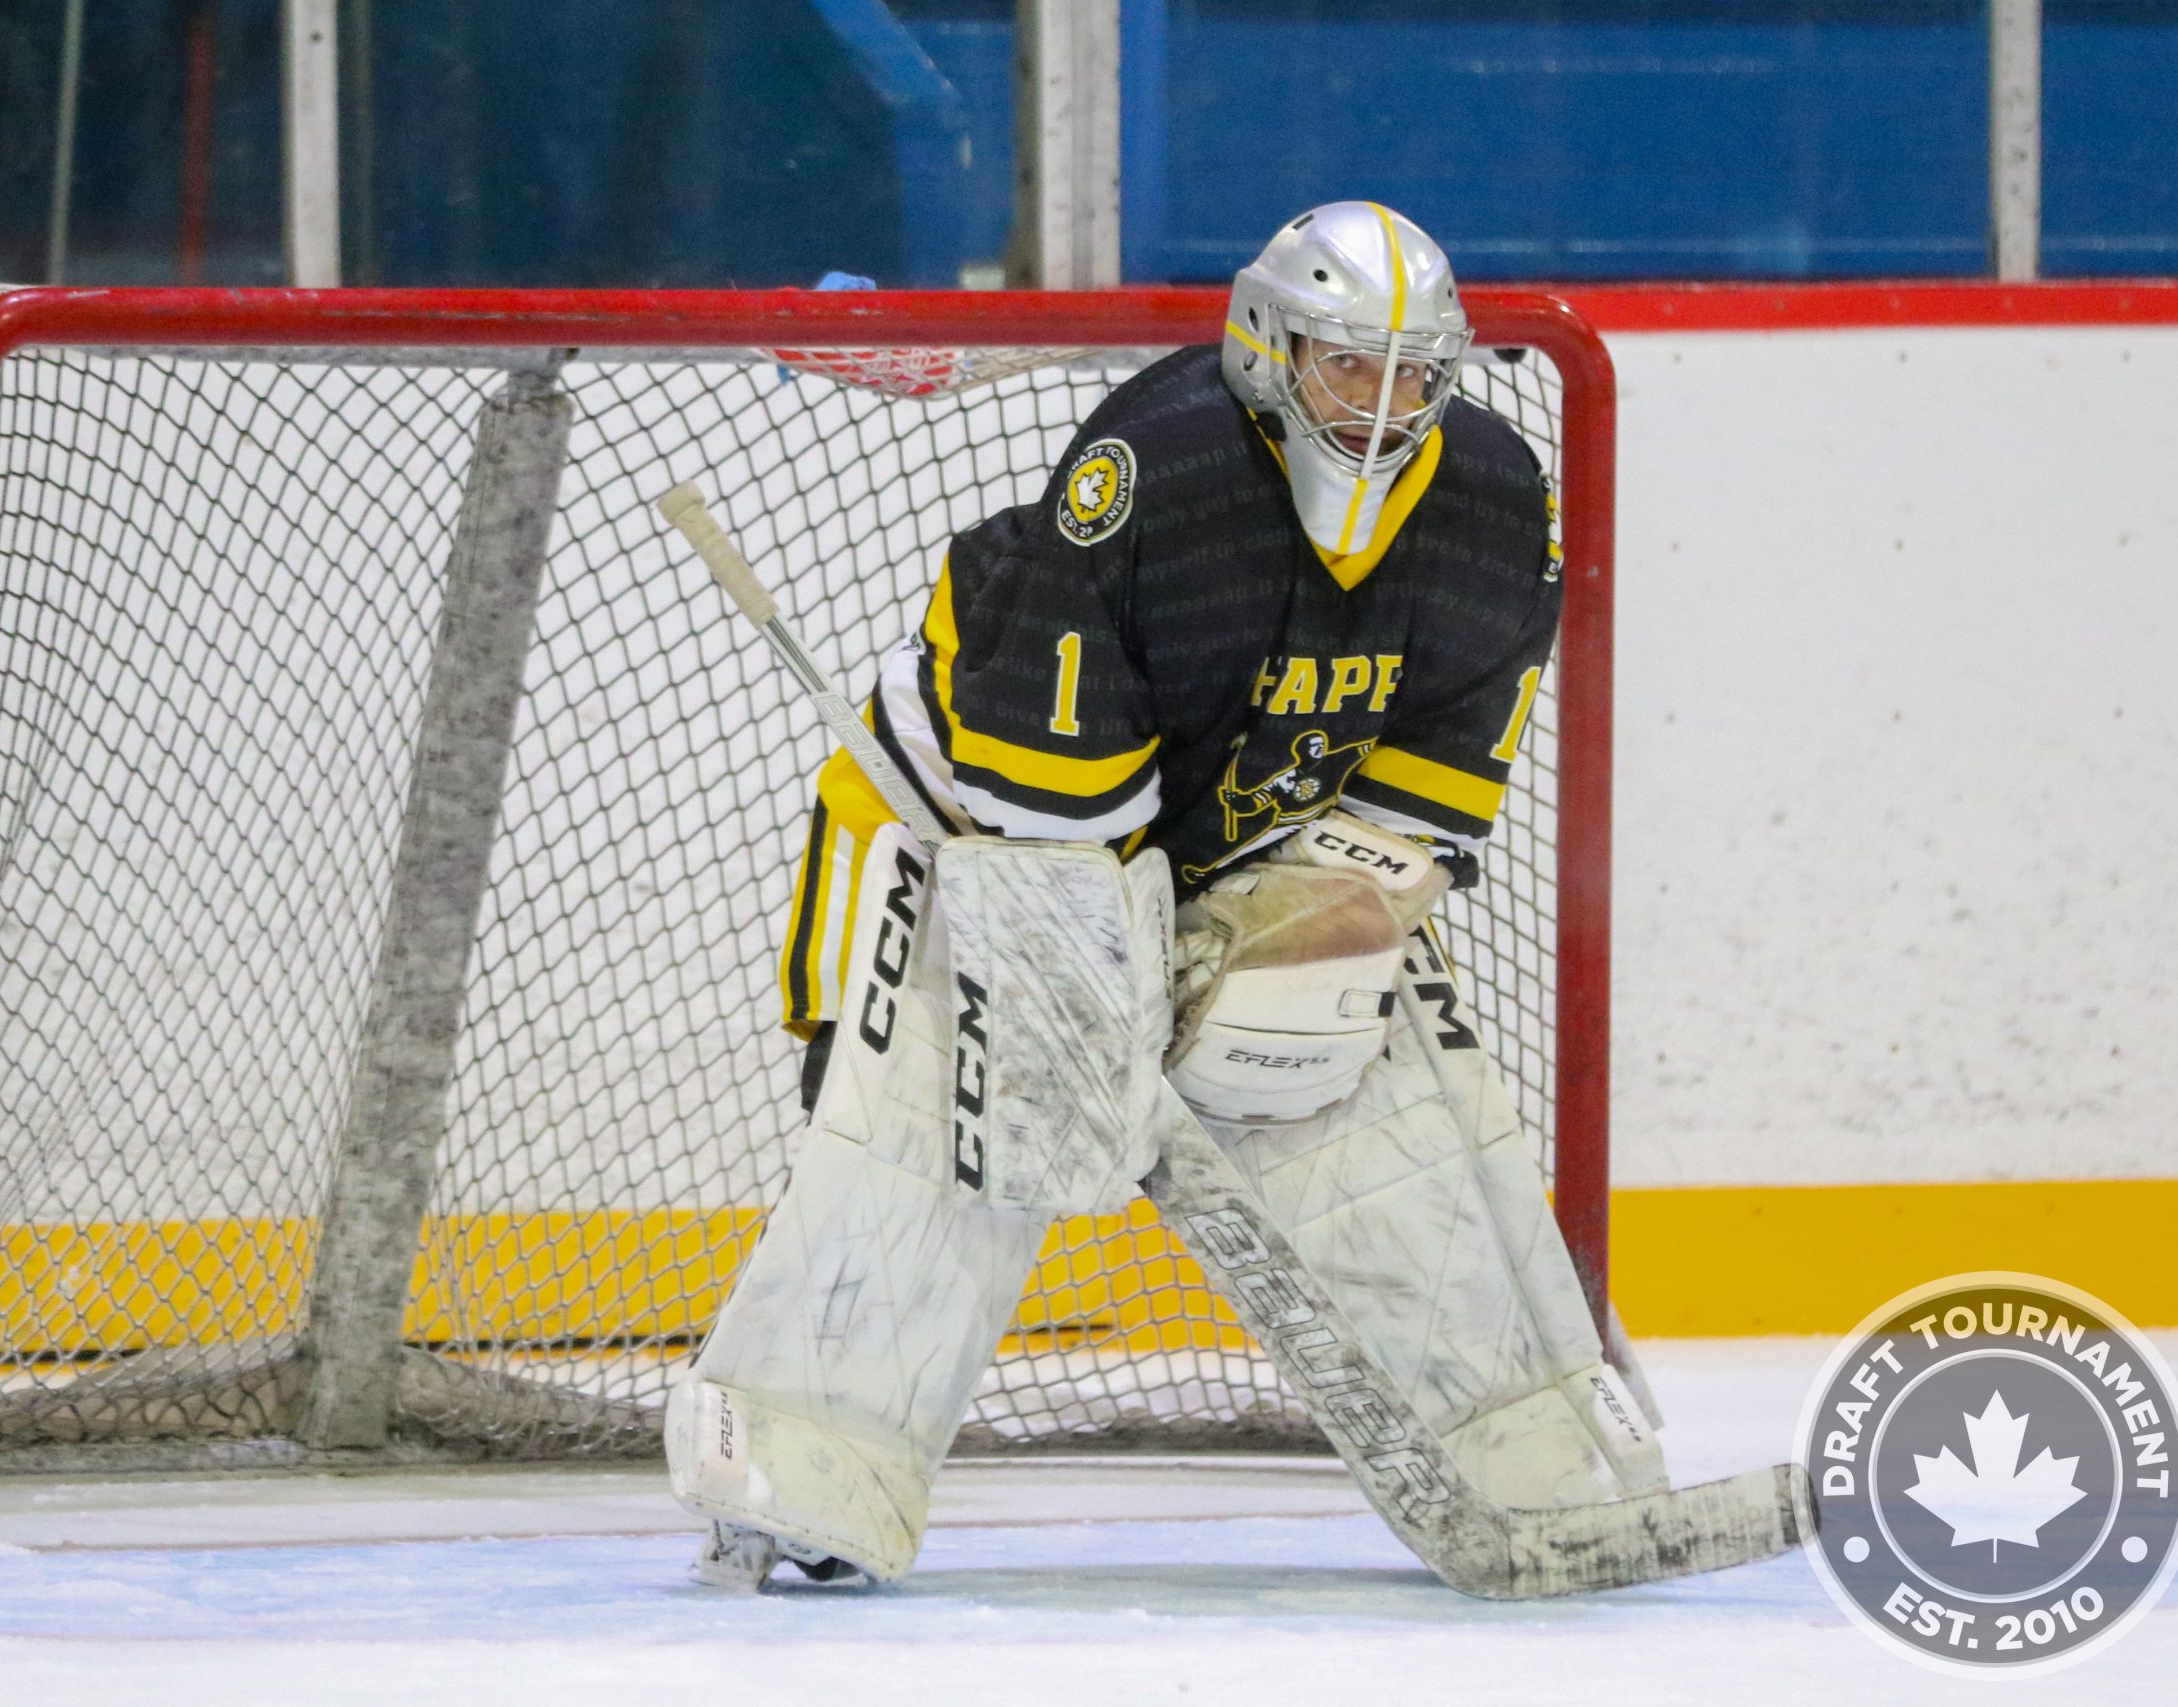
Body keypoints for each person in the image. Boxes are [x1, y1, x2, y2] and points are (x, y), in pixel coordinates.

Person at [668, 202, 1663, 1590]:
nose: (1381, 407)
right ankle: (804, 1472)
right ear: (1269, 345)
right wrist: (1127, 983)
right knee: (959, 1127)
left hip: (1233, 843)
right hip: (979, 831)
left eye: (1415, 375)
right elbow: (1055, 815)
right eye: (1346, 365)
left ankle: (1536, 1454)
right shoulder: (1163, 466)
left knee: (1360, 1082)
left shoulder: (1493, 503)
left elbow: (1429, 780)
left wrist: (1303, 924)